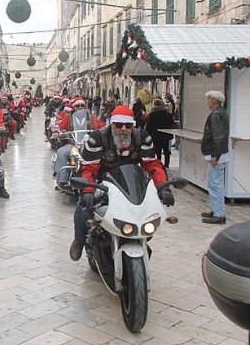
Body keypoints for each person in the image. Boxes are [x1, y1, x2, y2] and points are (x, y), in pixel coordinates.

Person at [69, 105, 173, 261]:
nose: (123, 129)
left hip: (131, 184)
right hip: (102, 182)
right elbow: (89, 169)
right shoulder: (97, 138)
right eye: (119, 125)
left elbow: (153, 165)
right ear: (112, 124)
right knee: (82, 207)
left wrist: (164, 188)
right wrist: (88, 191)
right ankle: (79, 239)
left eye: (128, 125)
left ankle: (139, 238)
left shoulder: (142, 137)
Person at [200, 90, 229, 225]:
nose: (207, 102)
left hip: (217, 154)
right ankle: (215, 210)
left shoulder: (216, 115)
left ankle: (219, 214)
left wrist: (215, 155)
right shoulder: (221, 112)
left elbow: (218, 137)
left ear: (213, 101)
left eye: (209, 99)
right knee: (214, 184)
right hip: (220, 153)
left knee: (215, 185)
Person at [54, 97, 89, 189]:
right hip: (73, 145)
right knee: (61, 152)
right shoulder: (68, 117)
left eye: (82, 105)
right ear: (74, 107)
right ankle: (62, 180)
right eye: (77, 106)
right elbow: (61, 127)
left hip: (89, 145)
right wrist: (57, 132)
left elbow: (99, 127)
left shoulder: (91, 117)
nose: (80, 107)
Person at [144, 98, 175, 168]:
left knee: (158, 151)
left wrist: (148, 134)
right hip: (166, 135)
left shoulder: (152, 115)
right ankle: (167, 164)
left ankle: (158, 164)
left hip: (156, 136)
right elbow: (171, 123)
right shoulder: (167, 114)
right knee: (166, 150)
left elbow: (149, 126)